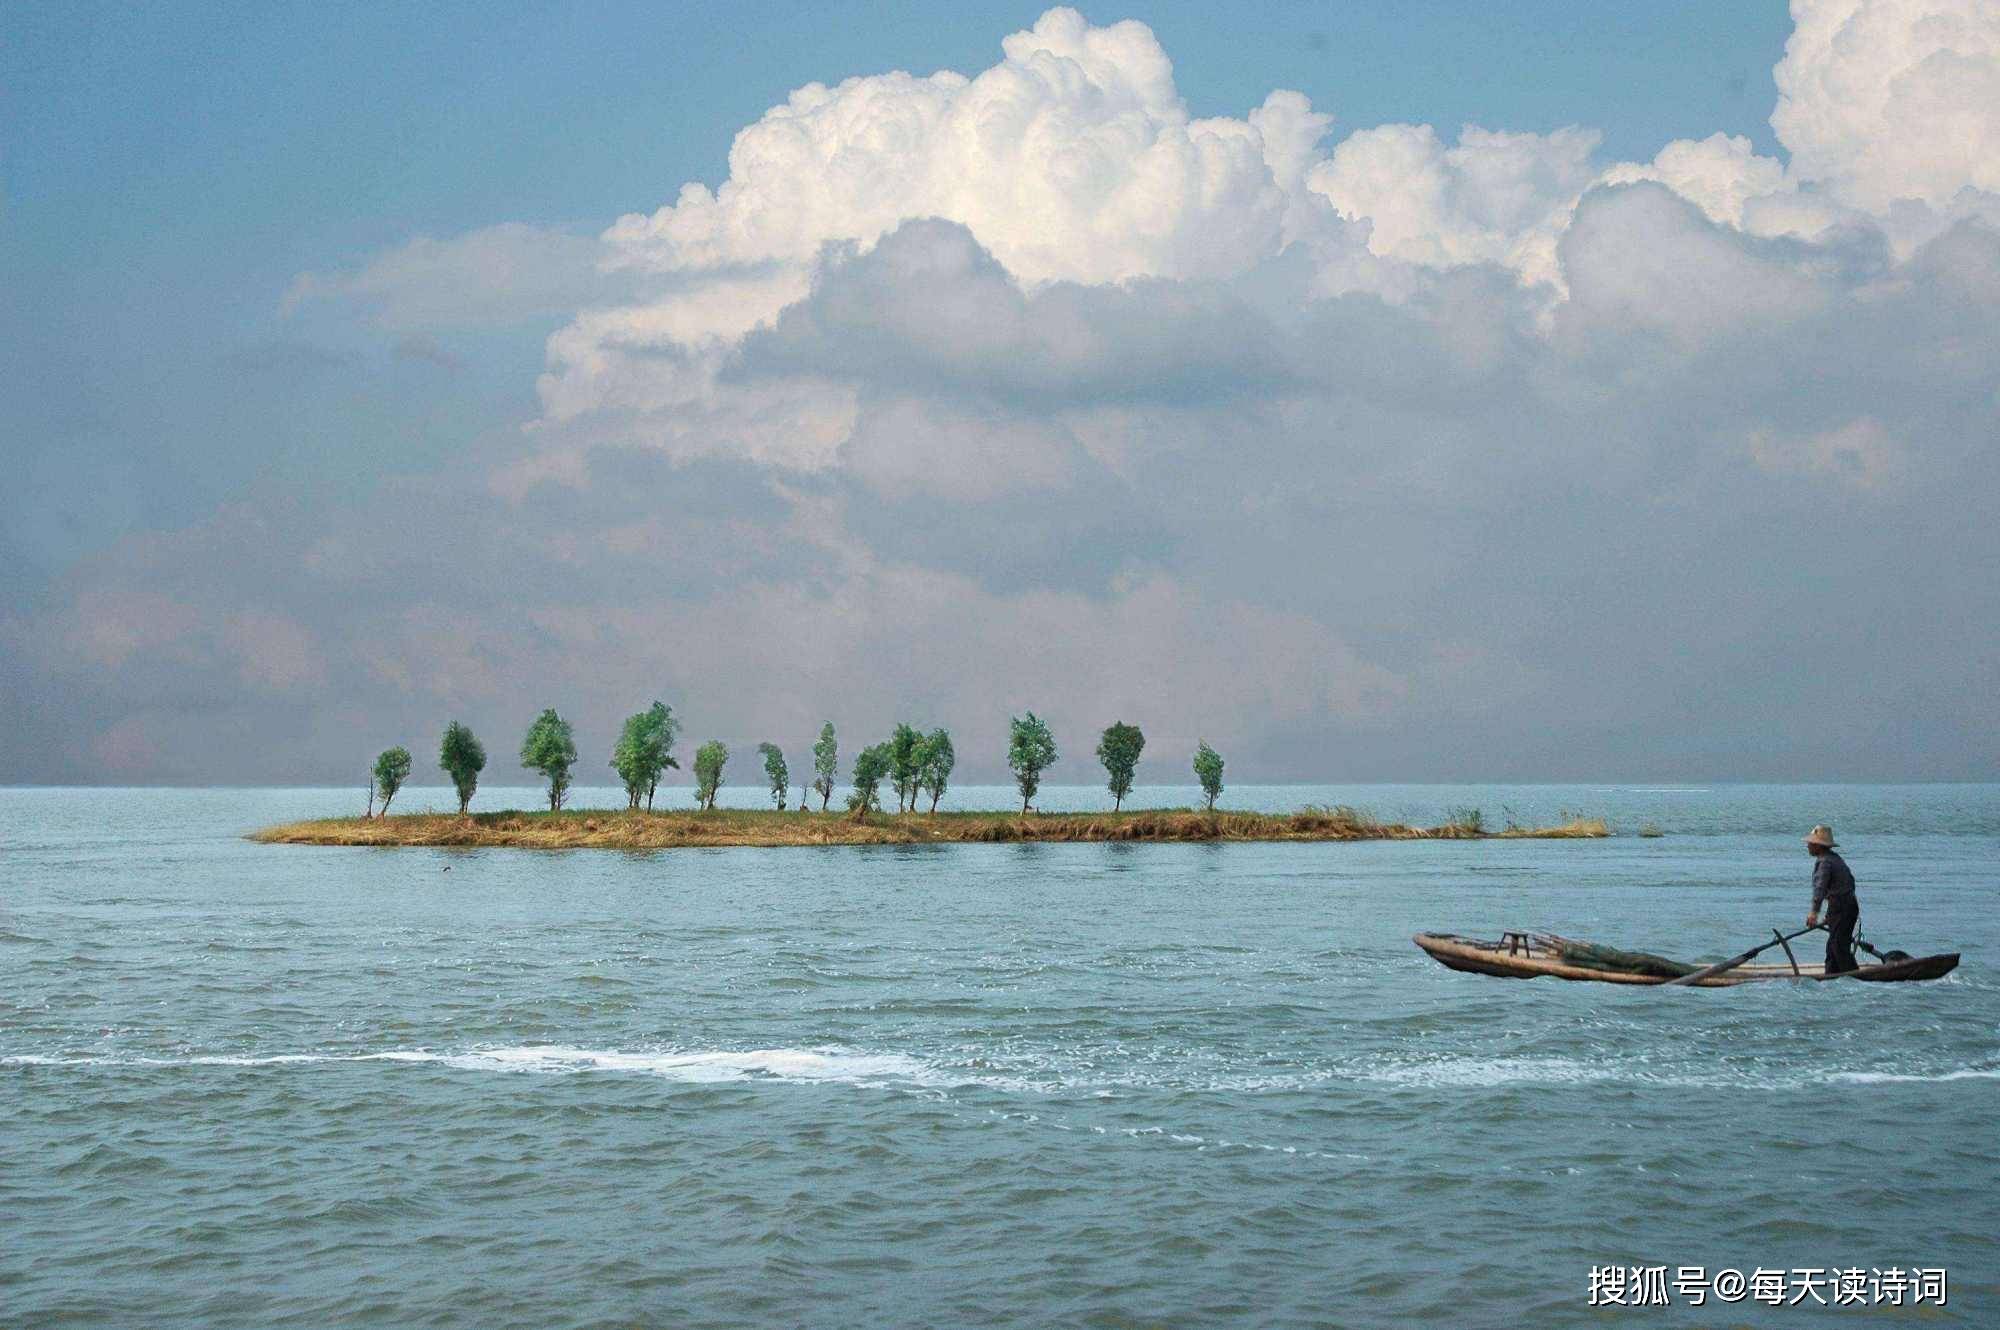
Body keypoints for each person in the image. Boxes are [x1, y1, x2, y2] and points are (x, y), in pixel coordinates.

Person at [1803, 824, 1859, 974]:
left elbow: (1820, 888)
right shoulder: (1833, 858)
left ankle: (1857, 978)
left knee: (1838, 946)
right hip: (1844, 906)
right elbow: (1849, 884)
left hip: (1842, 907)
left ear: (1818, 846)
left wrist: (1814, 912)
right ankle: (1831, 978)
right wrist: (1831, 914)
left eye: (1811, 843)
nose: (1808, 846)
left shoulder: (1825, 862)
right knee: (1833, 948)